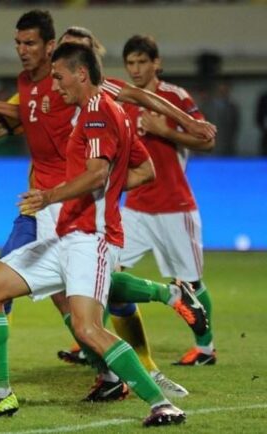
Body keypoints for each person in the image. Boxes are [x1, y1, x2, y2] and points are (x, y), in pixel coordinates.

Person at [0, 17, 206, 399]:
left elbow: (139, 97)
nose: (22, 50)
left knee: (93, 294)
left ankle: (146, 367)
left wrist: (187, 124)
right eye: (18, 43)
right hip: (39, 206)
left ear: (53, 51)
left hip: (78, 206)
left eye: (30, 43)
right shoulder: (27, 89)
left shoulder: (93, 98)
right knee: (10, 287)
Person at [108, 35, 216, 367]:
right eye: (130, 63)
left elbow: (207, 141)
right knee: (106, 272)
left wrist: (165, 131)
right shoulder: (123, 102)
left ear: (157, 63)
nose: (136, 69)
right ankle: (94, 340)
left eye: (142, 62)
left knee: (190, 283)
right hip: (135, 208)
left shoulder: (175, 97)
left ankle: (206, 349)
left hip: (174, 206)